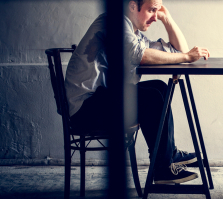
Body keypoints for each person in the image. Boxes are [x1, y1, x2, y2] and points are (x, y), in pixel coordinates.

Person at [65, 0, 210, 184]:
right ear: (133, 5)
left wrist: (167, 18)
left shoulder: (134, 33)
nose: (155, 17)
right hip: (86, 108)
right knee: (152, 99)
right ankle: (162, 168)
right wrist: (187, 57)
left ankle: (168, 154)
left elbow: (177, 51)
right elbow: (139, 55)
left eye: (156, 11)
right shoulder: (113, 22)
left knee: (159, 87)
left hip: (102, 99)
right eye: (151, 10)